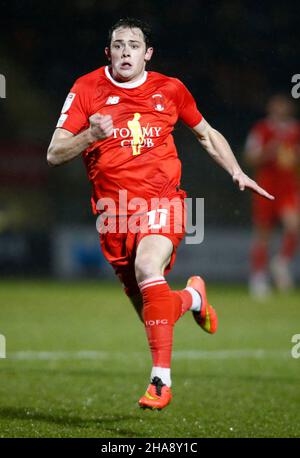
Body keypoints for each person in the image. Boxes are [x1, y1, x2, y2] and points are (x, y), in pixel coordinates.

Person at [47, 17, 273, 410]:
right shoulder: (87, 88)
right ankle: (192, 298)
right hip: (113, 215)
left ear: (147, 54)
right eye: (118, 45)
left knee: (148, 268)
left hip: (161, 202)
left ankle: (160, 382)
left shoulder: (170, 89)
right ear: (108, 52)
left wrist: (237, 171)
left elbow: (205, 133)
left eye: (133, 45)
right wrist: (91, 135)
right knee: (154, 312)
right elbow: (54, 153)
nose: (125, 53)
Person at [245, 95, 300, 297]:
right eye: (276, 106)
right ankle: (258, 277)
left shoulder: (295, 130)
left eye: (283, 106)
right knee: (263, 234)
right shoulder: (262, 129)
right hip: (266, 187)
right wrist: (269, 152)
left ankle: (281, 262)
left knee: (294, 225)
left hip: (288, 188)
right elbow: (250, 157)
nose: (279, 109)